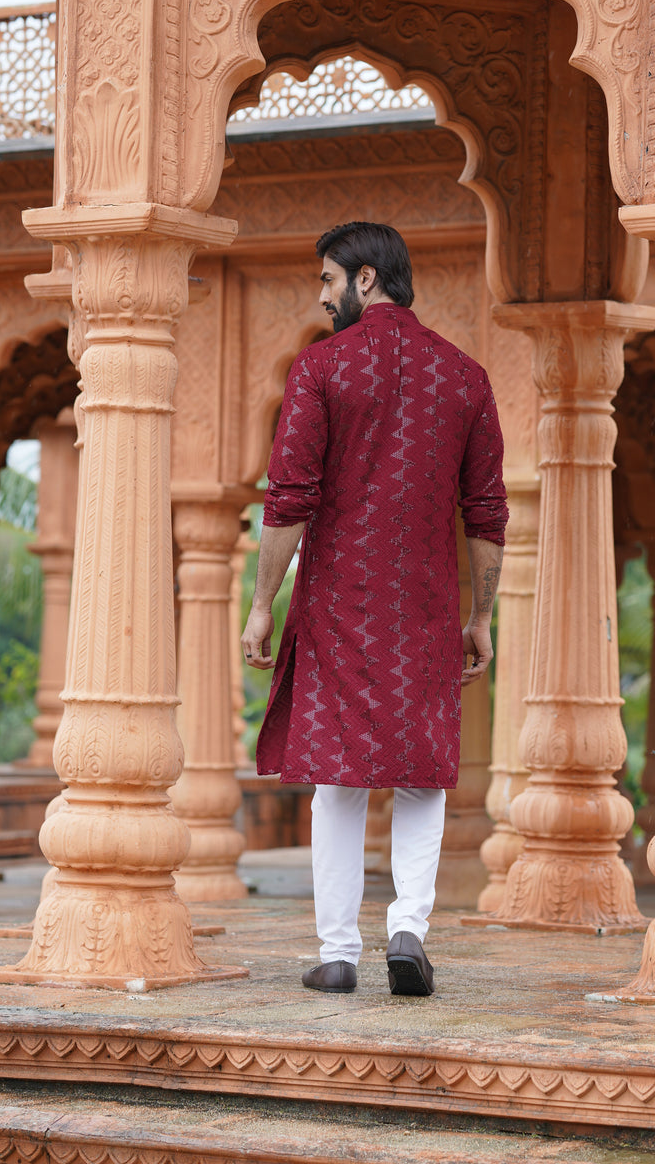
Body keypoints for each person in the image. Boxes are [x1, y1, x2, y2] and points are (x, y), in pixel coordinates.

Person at [241, 221, 507, 997]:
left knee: (339, 778)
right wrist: (479, 617)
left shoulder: (321, 368)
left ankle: (337, 953)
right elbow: (486, 513)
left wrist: (263, 605)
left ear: (365, 279)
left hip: (337, 606)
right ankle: (408, 931)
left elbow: (290, 499)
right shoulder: (465, 377)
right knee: (422, 774)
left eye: (328, 281)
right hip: (425, 608)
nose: (322, 298)